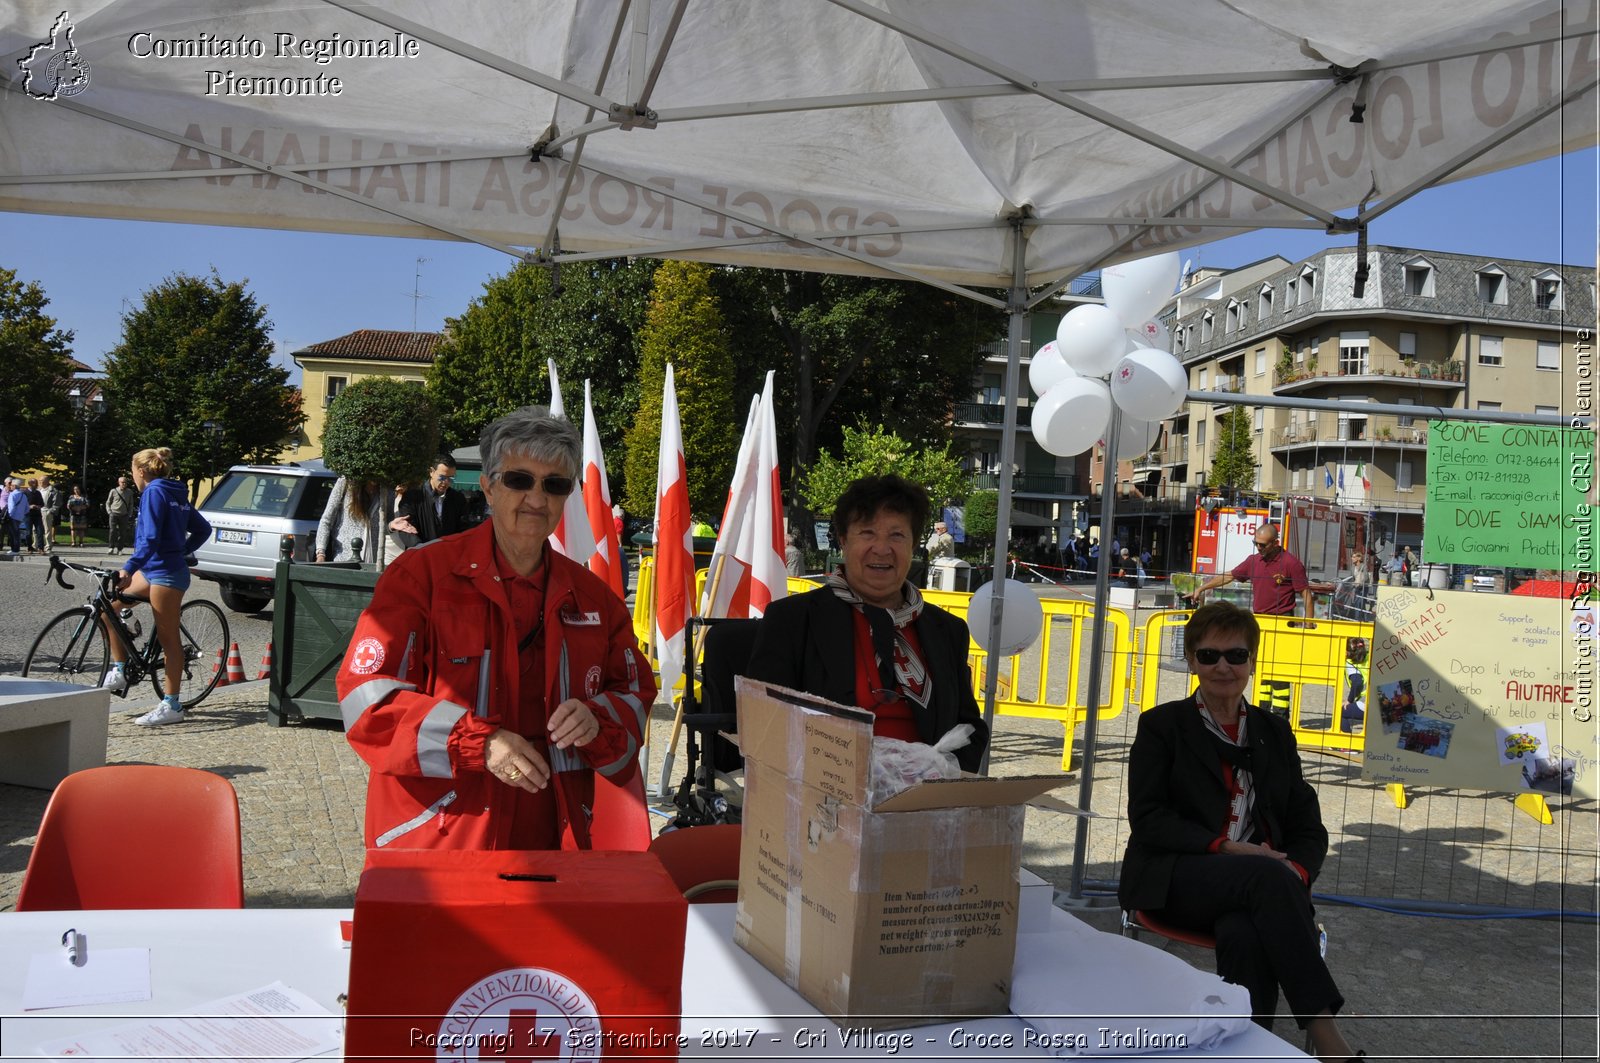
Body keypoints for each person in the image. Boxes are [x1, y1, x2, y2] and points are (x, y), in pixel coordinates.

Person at [337, 407, 653, 851]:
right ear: (487, 487)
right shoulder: (421, 577)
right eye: (518, 480)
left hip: (556, 838)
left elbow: (636, 693)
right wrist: (476, 743)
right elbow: (367, 701)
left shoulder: (593, 597)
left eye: (554, 484)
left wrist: (597, 719)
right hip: (440, 838)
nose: (537, 499)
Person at [1118, 602, 1360, 1062]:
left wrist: (1298, 873)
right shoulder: (1161, 727)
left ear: (1252, 662)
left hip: (1258, 891)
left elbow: (1307, 824)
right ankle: (1329, 1040)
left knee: (1248, 931)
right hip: (1175, 878)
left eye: (1236, 655)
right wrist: (1227, 847)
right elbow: (1148, 818)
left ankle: (1244, 1051)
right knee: (1262, 877)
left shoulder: (1272, 730)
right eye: (1209, 656)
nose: (1223, 667)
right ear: (1191, 661)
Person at [745, 474, 989, 773]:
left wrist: (941, 777)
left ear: (913, 544)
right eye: (867, 533)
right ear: (844, 540)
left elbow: (970, 729)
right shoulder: (793, 620)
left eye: (897, 535)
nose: (882, 548)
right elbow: (765, 725)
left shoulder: (947, 630)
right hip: (824, 796)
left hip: (924, 801)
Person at [101, 447, 213, 727]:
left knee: (169, 639)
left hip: (166, 574)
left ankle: (172, 705)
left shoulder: (153, 492)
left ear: (140, 471)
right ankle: (121, 668)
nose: (132, 476)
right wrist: (182, 550)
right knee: (109, 609)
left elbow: (149, 539)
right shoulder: (176, 493)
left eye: (131, 471)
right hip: (154, 570)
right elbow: (203, 529)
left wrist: (128, 567)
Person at [389, 455, 467, 544]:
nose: (446, 482)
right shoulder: (412, 497)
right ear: (431, 472)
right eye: (442, 477)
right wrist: (420, 548)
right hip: (421, 553)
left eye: (451, 478)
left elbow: (463, 529)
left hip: (448, 554)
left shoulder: (458, 499)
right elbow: (406, 529)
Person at [315, 477, 384, 563]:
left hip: (373, 561)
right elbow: (327, 520)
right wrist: (321, 553)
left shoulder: (386, 488)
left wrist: (390, 527)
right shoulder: (345, 482)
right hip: (343, 558)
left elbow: (386, 524)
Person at [105, 475, 140, 554]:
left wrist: (130, 513)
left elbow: (131, 503)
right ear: (119, 483)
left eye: (125, 482)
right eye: (122, 482)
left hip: (124, 515)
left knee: (122, 532)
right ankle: (111, 547)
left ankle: (120, 549)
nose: (124, 484)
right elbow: (108, 502)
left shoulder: (129, 492)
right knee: (112, 531)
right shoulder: (113, 491)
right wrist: (109, 511)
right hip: (114, 513)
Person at [1341, 637, 1367, 735]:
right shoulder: (1370, 656)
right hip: (1383, 699)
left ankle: (1347, 744)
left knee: (1340, 712)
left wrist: (1349, 700)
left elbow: (1357, 682)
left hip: (1366, 701)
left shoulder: (1350, 663)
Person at [3, 478, 27, 555]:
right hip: (20, 517)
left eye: (11, 485)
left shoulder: (12, 494)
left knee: (13, 534)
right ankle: (14, 549)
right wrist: (22, 514)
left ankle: (15, 550)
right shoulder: (24, 495)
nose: (10, 487)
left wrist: (9, 515)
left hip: (12, 516)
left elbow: (11, 507)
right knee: (16, 533)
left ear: (14, 486)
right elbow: (27, 508)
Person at [40, 475, 61, 552]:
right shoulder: (39, 490)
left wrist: (50, 511)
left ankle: (48, 546)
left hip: (46, 511)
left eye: (41, 480)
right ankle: (36, 545)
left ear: (47, 481)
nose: (39, 482)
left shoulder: (53, 491)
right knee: (35, 529)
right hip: (38, 511)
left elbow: (57, 503)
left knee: (47, 530)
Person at [24, 478, 45, 553]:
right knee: (28, 532)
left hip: (37, 515)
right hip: (28, 515)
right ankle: (29, 547)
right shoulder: (25, 492)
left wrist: (39, 506)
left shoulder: (38, 493)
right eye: (34, 483)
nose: (36, 485)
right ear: (30, 484)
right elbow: (22, 504)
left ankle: (41, 548)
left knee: (40, 531)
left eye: (36, 483)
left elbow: (42, 503)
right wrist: (30, 506)